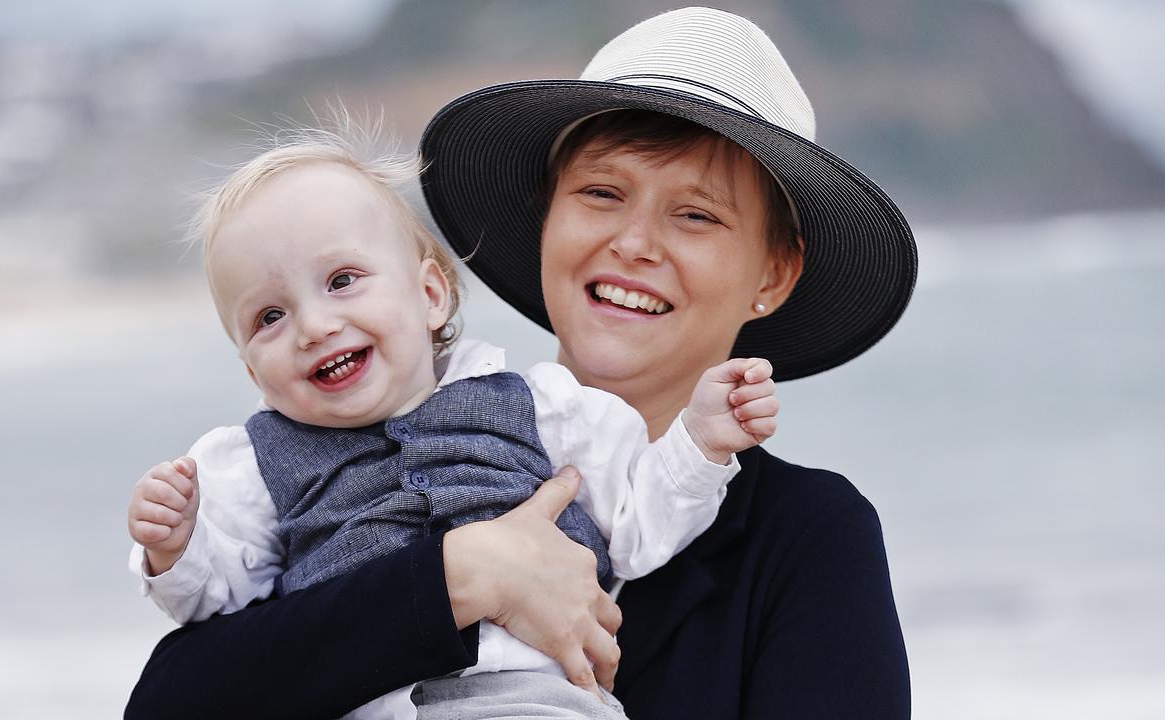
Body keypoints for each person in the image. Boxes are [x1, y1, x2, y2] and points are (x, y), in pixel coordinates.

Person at [126, 7, 914, 719]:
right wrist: (461, 575)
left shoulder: (806, 538)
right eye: (601, 193)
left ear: (773, 274)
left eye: (696, 214)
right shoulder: (359, 459)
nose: (634, 242)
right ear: (548, 216)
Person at [125, 126, 779, 719]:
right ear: (250, 372)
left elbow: (641, 524)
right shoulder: (251, 466)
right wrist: (176, 547)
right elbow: (213, 613)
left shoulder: (540, 407)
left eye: (343, 280)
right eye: (269, 317)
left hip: (534, 704)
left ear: (432, 295)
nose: (314, 326)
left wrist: (699, 443)